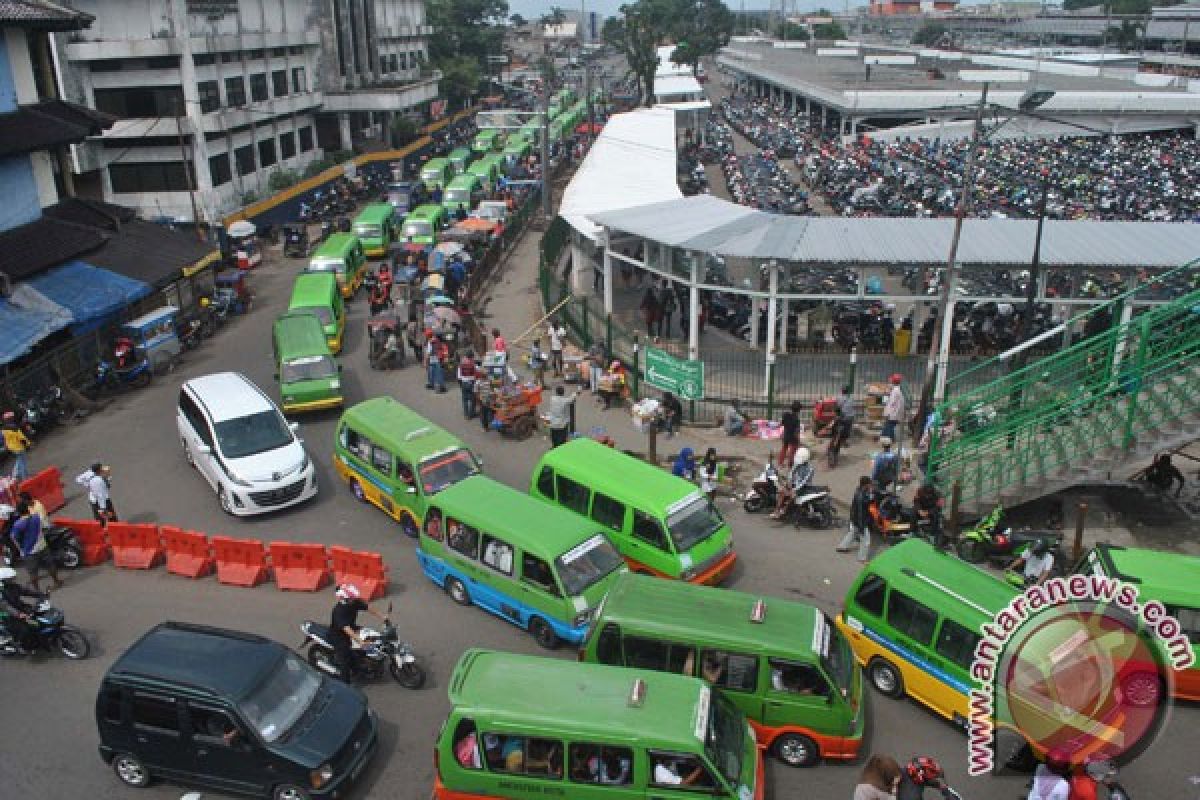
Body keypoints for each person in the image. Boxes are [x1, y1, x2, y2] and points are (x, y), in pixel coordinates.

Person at [327, 583, 388, 682]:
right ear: (344, 599)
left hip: (352, 628)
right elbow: (346, 629)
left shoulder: (353, 602)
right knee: (345, 661)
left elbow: (368, 608)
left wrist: (382, 616)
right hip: (339, 636)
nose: (354, 599)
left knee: (373, 636)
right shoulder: (339, 611)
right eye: (352, 598)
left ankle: (366, 662)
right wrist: (360, 641)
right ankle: (345, 684)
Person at [10, 502, 60, 592]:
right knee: (50, 565)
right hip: (43, 546)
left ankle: (37, 591)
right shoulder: (36, 517)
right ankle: (56, 581)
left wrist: (20, 550)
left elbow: (14, 538)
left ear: (18, 512)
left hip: (29, 551)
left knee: (33, 572)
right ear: (28, 509)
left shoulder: (18, 525)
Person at [0, 565, 43, 653]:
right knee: (24, 630)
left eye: (13, 578)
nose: (13, 579)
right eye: (10, 578)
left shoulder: (13, 586)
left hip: (19, 608)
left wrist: (40, 594)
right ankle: (24, 646)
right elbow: (6, 606)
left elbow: (25, 591)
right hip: (6, 615)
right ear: (4, 580)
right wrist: (18, 614)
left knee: (38, 616)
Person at [837, 476, 876, 562]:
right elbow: (861, 512)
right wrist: (862, 526)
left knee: (852, 532)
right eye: (869, 484)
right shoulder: (862, 496)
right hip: (861, 520)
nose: (871, 485)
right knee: (866, 540)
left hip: (855, 518)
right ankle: (862, 558)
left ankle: (842, 547)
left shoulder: (859, 490)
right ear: (866, 485)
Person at [771, 447, 814, 520]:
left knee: (792, 495)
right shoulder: (797, 464)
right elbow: (791, 474)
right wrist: (788, 483)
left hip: (804, 487)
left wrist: (794, 489)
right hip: (795, 485)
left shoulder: (810, 469)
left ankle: (784, 510)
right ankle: (777, 510)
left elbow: (804, 482)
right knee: (781, 491)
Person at [2, 412, 32, 482]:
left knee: (19, 460)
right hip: (19, 447)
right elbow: (21, 438)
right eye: (12, 417)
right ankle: (25, 478)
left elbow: (5, 439)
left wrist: (6, 446)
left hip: (12, 448)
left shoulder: (3, 429)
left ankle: (14, 475)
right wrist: (28, 444)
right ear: (10, 419)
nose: (13, 418)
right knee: (23, 463)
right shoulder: (14, 428)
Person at [912, 483, 944, 548]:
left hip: (932, 508)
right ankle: (913, 531)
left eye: (928, 495)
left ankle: (933, 535)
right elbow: (916, 501)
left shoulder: (938, 494)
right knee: (913, 513)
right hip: (922, 507)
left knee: (936, 517)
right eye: (926, 495)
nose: (927, 496)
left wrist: (928, 512)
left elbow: (939, 507)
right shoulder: (919, 491)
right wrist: (920, 510)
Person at [882, 374, 906, 443]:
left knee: (888, 428)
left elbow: (891, 404)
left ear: (893, 382)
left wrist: (887, 413)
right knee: (890, 428)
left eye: (890, 381)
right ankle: (891, 440)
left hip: (892, 414)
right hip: (895, 414)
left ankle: (887, 442)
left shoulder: (895, 391)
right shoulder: (897, 390)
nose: (889, 382)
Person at [779, 401, 801, 467]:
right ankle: (790, 464)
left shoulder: (786, 415)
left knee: (784, 448)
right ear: (799, 410)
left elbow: (782, 424)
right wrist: (798, 439)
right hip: (792, 437)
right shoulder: (796, 419)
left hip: (786, 434)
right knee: (793, 450)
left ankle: (780, 463)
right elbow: (796, 431)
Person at [457, 351, 478, 418]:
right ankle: (471, 413)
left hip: (463, 383)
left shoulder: (461, 364)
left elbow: (459, 376)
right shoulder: (473, 364)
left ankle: (466, 414)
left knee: (465, 399)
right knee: (472, 399)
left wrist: (460, 384)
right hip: (471, 383)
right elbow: (476, 374)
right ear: (472, 357)